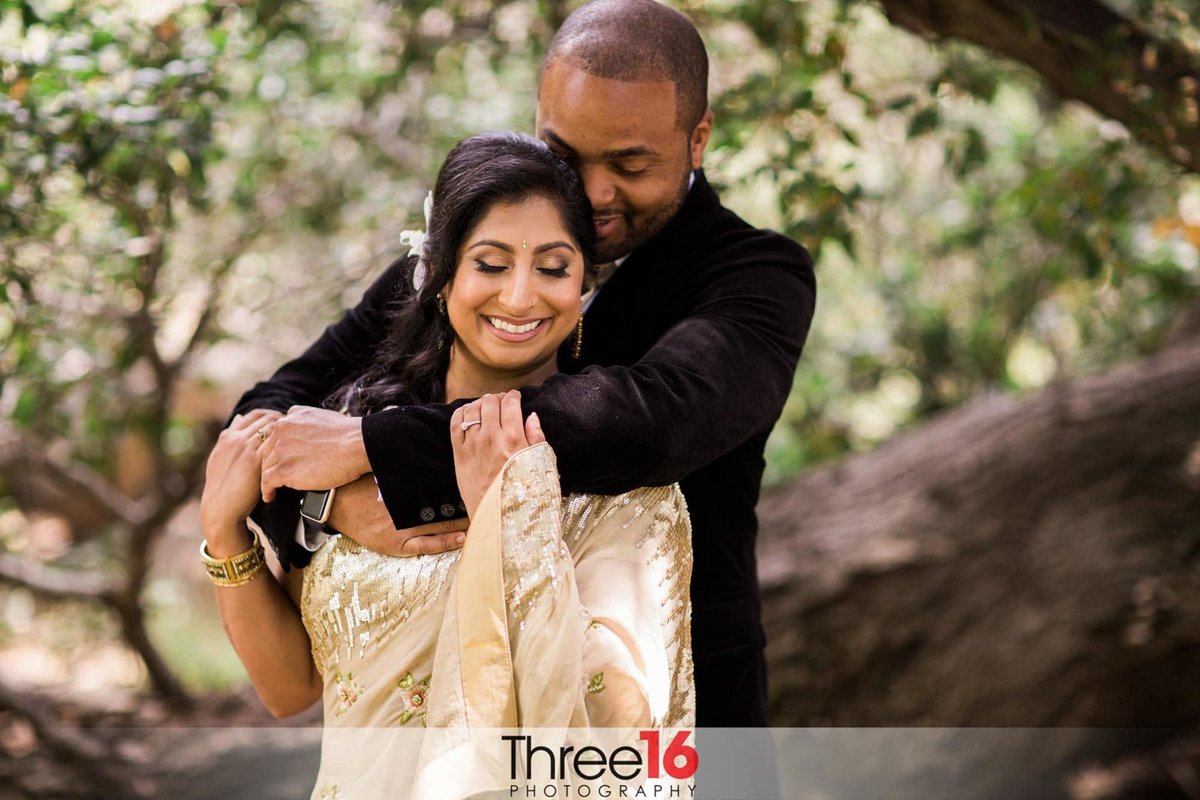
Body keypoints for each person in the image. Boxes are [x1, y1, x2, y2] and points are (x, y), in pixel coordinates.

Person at [235, 0, 816, 728]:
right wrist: (332, 504)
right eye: (567, 156)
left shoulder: (756, 275)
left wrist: (369, 450)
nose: (596, 195)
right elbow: (267, 417)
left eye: (630, 164)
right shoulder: (458, 266)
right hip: (448, 717)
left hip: (671, 713)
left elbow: (650, 423)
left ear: (696, 140)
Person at [201, 132, 694, 799]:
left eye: (552, 267)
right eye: (490, 263)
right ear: (438, 274)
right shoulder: (352, 446)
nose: (521, 297)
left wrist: (514, 531)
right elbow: (290, 690)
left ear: (584, 284)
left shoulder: (626, 492)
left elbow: (624, 742)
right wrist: (225, 538)